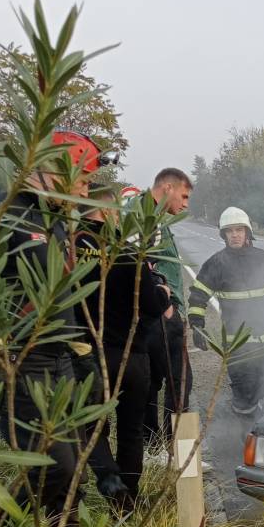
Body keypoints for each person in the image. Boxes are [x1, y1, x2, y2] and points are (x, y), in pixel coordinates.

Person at [0, 130, 100, 527]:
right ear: (54, 171)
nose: (85, 193)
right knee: (55, 468)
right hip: (24, 360)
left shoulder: (52, 220)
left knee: (72, 467)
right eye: (82, 182)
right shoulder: (5, 212)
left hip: (60, 358)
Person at [73, 215, 173, 507]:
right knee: (131, 428)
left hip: (92, 354)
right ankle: (129, 496)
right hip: (133, 353)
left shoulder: (68, 244)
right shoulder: (129, 252)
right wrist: (163, 293)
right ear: (110, 214)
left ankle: (112, 483)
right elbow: (153, 306)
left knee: (92, 426)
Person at [187, 206, 264, 415]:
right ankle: (242, 441)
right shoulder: (216, 264)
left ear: (247, 232)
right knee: (244, 403)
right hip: (240, 349)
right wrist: (197, 326)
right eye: (230, 231)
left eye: (239, 229)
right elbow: (198, 297)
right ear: (223, 234)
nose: (235, 235)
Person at [137, 168, 193, 446]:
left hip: (154, 315)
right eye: (183, 196)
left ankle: (154, 445)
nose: (185, 204)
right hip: (158, 315)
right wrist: (168, 307)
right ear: (167, 188)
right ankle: (176, 451)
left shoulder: (153, 217)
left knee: (152, 383)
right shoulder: (143, 216)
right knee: (180, 382)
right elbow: (140, 264)